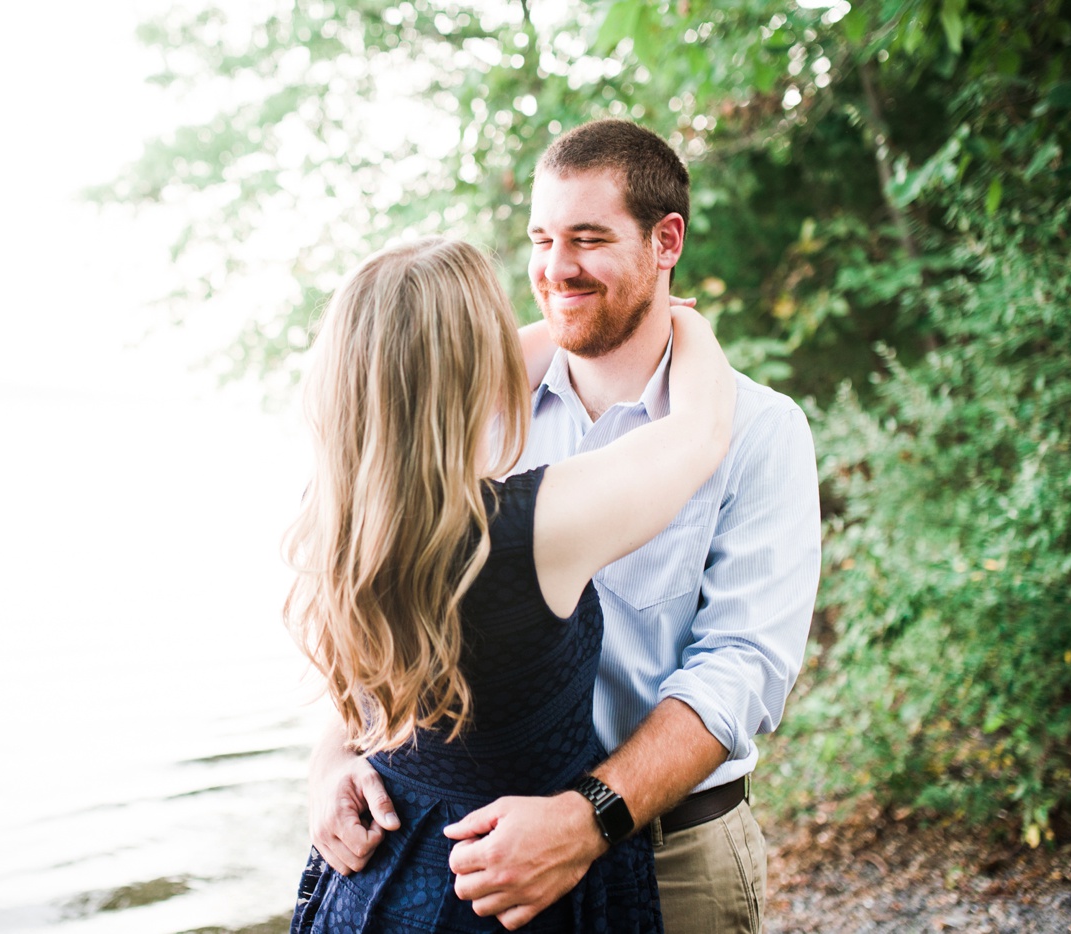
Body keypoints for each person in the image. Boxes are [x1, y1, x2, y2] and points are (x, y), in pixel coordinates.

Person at [307, 119, 821, 933]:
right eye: (541, 238)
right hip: (462, 858)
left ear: (666, 241)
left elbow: (741, 667)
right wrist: (333, 754)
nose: (554, 266)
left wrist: (589, 818)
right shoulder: (470, 414)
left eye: (586, 238)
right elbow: (392, 608)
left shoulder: (760, 429)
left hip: (670, 853)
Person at [284, 236, 736, 932]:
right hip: (502, 890)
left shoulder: (339, 519)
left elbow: (449, 372)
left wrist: (327, 759)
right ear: (478, 370)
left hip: (376, 878)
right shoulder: (531, 528)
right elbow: (701, 432)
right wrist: (683, 321)